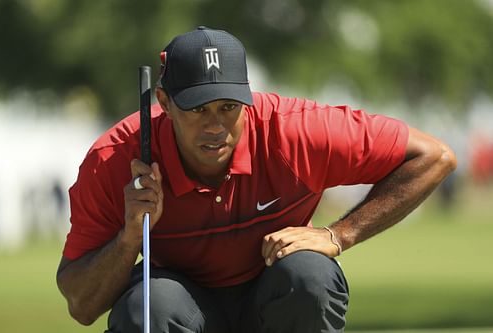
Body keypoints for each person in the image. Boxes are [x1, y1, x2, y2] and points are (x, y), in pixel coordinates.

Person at [56, 26, 457, 333]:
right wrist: (129, 238)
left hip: (273, 297)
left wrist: (340, 234)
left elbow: (434, 157)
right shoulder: (115, 159)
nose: (216, 126)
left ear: (248, 96)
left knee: (310, 276)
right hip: (180, 305)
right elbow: (82, 305)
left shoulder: (294, 131)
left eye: (229, 107)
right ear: (164, 103)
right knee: (149, 305)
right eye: (198, 109)